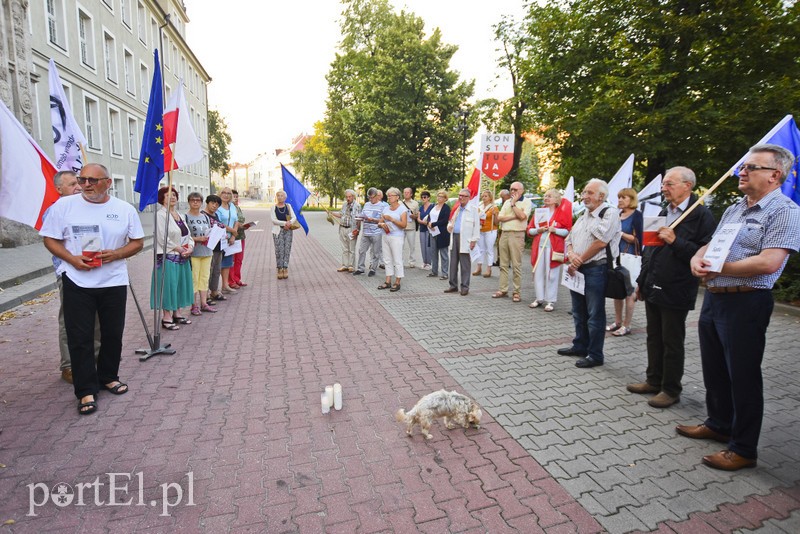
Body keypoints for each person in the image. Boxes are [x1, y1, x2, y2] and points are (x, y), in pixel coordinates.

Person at [678, 144, 800, 471]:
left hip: (746, 302)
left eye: (750, 168)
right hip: (716, 299)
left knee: (742, 376)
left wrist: (720, 270)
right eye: (741, 168)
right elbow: (712, 243)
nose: (741, 173)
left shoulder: (785, 211)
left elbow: (769, 262)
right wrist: (696, 257)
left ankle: (744, 448)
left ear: (775, 175)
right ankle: (719, 424)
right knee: (715, 369)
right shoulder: (737, 207)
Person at [40, 163, 144, 415]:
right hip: (77, 281)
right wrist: (71, 259)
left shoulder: (124, 209)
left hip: (113, 281)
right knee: (80, 337)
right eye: (82, 179)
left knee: (112, 333)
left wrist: (116, 253)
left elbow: (138, 242)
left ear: (108, 183)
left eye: (92, 180)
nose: (86, 185)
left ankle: (108, 376)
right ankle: (85, 390)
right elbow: (49, 238)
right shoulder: (63, 207)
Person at [628, 167, 715, 408]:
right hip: (654, 284)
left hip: (676, 288)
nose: (664, 188)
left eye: (669, 184)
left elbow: (704, 255)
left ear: (687, 186)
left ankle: (671, 389)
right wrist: (641, 282)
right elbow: (651, 250)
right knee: (654, 337)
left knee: (672, 341)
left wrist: (676, 241)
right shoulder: (665, 211)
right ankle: (653, 380)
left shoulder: (701, 216)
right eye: (664, 184)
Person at [558, 178, 621, 368]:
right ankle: (580, 345)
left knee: (595, 314)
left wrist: (579, 259)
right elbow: (569, 237)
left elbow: (601, 241)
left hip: (596, 269)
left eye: (589, 193)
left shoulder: (609, 213)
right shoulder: (584, 213)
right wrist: (571, 254)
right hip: (578, 269)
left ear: (601, 196)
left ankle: (595, 355)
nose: (584, 196)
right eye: (584, 192)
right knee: (578, 311)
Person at [50, 171, 101, 384]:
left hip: (96, 272)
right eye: (72, 184)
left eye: (78, 183)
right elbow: (53, 242)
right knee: (70, 321)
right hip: (70, 274)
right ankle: (69, 365)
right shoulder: (56, 211)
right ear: (59, 189)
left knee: (97, 319)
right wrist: (73, 259)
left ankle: (95, 361)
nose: (79, 187)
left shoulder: (89, 207)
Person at [151, 186, 194, 331]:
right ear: (162, 198)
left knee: (180, 285)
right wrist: (179, 248)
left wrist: (190, 247)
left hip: (183, 257)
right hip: (168, 257)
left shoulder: (179, 215)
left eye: (174, 195)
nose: (173, 197)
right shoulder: (160, 215)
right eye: (168, 195)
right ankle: (167, 317)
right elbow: (162, 238)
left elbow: (187, 234)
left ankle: (177, 313)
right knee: (168, 286)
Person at [527, 188, 572, 312]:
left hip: (554, 248)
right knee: (538, 272)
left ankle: (550, 300)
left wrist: (555, 230)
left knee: (552, 274)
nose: (546, 198)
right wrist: (538, 230)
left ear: (556, 199)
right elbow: (529, 230)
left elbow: (568, 231)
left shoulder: (561, 213)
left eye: (549, 196)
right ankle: (539, 298)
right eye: (545, 196)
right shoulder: (539, 212)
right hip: (539, 246)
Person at [606, 188, 643, 336]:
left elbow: (638, 240)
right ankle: (617, 321)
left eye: (624, 197)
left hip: (629, 257)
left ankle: (627, 325)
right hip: (616, 257)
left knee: (629, 292)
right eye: (619, 197)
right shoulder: (618, 214)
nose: (620, 200)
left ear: (631, 199)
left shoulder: (637, 216)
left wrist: (619, 233)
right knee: (617, 291)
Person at [493, 181, 533, 303]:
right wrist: (514, 215)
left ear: (522, 190)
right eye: (511, 189)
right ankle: (503, 289)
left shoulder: (526, 202)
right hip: (504, 233)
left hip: (517, 234)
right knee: (503, 264)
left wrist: (514, 205)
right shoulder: (506, 202)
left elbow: (522, 216)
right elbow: (500, 218)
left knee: (516, 265)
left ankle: (516, 292)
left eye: (516, 189)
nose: (513, 192)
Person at [185, 191, 218, 315]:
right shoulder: (186, 217)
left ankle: (204, 303)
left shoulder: (205, 217)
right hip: (194, 252)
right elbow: (184, 237)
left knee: (204, 278)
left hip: (207, 251)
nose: (195, 202)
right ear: (189, 202)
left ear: (201, 202)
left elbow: (209, 231)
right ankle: (194, 305)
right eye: (193, 200)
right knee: (194, 279)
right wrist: (198, 239)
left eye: (198, 200)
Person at [444, 189, 481, 295]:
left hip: (466, 239)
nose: (461, 198)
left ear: (468, 198)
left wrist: (474, 240)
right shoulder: (457, 209)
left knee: (465, 264)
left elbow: (476, 227)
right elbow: (451, 222)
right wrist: (449, 227)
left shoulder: (473, 210)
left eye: (464, 196)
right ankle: (453, 285)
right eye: (460, 195)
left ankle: (465, 287)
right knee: (453, 263)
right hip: (454, 237)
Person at [377, 187, 408, 291]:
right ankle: (388, 280)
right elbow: (379, 222)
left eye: (391, 195)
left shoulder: (402, 209)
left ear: (397, 197)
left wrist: (392, 220)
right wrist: (381, 224)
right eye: (388, 195)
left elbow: (404, 225)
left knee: (397, 259)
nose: (389, 197)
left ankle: (398, 282)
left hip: (397, 237)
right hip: (386, 235)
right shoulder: (386, 209)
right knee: (387, 259)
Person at [353, 187, 385, 277]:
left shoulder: (382, 206)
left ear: (377, 196)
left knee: (376, 252)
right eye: (369, 198)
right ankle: (360, 268)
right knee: (361, 250)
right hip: (366, 232)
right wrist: (359, 218)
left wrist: (373, 220)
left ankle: (373, 269)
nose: (371, 199)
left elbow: (383, 220)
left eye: (372, 197)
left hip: (376, 232)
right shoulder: (366, 204)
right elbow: (363, 215)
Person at [204, 194, 227, 303]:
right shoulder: (203, 216)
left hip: (219, 246)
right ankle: (206, 294)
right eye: (212, 203)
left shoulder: (216, 215)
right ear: (207, 203)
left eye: (217, 204)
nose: (214, 206)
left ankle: (214, 291)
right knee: (208, 270)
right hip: (209, 247)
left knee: (217, 270)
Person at [216, 188, 240, 293]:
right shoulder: (217, 206)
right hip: (220, 238)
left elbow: (236, 220)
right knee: (217, 264)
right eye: (223, 193)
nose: (226, 195)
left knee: (227, 263)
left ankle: (225, 285)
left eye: (228, 193)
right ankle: (214, 289)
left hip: (230, 238)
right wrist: (233, 231)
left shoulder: (232, 206)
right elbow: (218, 222)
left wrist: (233, 235)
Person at [332, 189, 361, 272]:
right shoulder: (344, 204)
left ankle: (351, 266)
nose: (348, 198)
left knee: (351, 249)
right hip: (342, 228)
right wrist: (331, 213)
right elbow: (341, 214)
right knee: (344, 249)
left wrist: (358, 230)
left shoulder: (357, 206)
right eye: (347, 197)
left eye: (349, 197)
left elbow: (359, 219)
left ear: (353, 197)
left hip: (351, 229)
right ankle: (345, 265)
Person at [271, 189, 298, 279]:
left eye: (281, 195)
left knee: (287, 249)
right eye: (278, 195)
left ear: (285, 197)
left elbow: (294, 217)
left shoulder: (288, 206)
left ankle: (285, 268)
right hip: (278, 231)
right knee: (279, 250)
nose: (279, 197)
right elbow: (273, 220)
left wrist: (289, 223)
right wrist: (284, 223)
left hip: (288, 230)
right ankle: (279, 268)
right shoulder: (273, 208)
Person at [473, 190, 499, 278]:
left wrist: (495, 215)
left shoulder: (493, 207)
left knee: (489, 250)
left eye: (486, 196)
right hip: (480, 230)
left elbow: (497, 222)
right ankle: (479, 267)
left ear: (490, 197)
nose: (483, 198)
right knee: (480, 249)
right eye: (483, 196)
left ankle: (489, 269)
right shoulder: (479, 206)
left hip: (490, 230)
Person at [426, 190, 451, 280]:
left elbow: (445, 220)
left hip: (442, 233)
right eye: (438, 196)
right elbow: (429, 217)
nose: (439, 198)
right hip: (432, 232)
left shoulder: (446, 208)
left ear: (445, 198)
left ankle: (445, 273)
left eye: (441, 196)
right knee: (433, 253)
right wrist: (429, 223)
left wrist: (433, 224)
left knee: (443, 253)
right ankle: (434, 271)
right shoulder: (433, 206)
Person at [228, 190, 247, 288]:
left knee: (239, 259)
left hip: (241, 236)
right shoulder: (228, 209)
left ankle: (237, 278)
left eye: (236, 196)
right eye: (233, 196)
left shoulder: (238, 208)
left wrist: (244, 226)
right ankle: (231, 281)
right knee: (231, 260)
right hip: (232, 237)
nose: (235, 198)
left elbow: (241, 220)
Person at [401, 187, 419, 268]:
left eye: (407, 192)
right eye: (404, 192)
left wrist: (413, 216)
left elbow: (417, 216)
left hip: (411, 227)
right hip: (401, 227)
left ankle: (412, 262)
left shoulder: (415, 203)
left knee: (412, 245)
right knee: (400, 245)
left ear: (411, 194)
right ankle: (400, 261)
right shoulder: (400, 203)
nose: (406, 194)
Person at [417, 191, 434, 269]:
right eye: (422, 197)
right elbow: (418, 218)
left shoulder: (432, 207)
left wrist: (426, 223)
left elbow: (434, 218)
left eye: (425, 197)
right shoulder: (421, 207)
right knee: (422, 245)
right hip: (422, 228)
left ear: (428, 198)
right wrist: (421, 222)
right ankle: (424, 262)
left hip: (429, 229)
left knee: (428, 246)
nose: (423, 198)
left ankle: (429, 263)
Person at [494, 188, 510, 267]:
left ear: (507, 195)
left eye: (503, 197)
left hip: (507, 227)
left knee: (506, 246)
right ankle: (499, 260)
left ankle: (506, 262)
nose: (502, 199)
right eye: (501, 197)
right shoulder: (503, 203)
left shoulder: (510, 203)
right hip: (501, 226)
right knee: (499, 244)